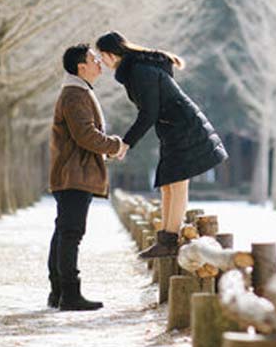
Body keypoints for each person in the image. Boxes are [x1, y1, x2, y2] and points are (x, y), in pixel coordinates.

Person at [96, 31, 227, 259]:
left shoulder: (139, 71)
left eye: (101, 55)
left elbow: (149, 113)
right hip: (172, 127)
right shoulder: (135, 69)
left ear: (110, 54)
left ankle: (169, 240)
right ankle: (165, 240)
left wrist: (126, 143)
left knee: (176, 183)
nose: (101, 61)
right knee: (168, 184)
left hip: (183, 126)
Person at [47, 44, 127, 311]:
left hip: (72, 174)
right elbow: (86, 135)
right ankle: (69, 294)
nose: (99, 63)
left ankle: (59, 293)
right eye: (94, 59)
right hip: (73, 174)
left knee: (64, 232)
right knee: (70, 233)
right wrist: (115, 146)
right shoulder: (74, 94)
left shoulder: (78, 92)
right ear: (81, 66)